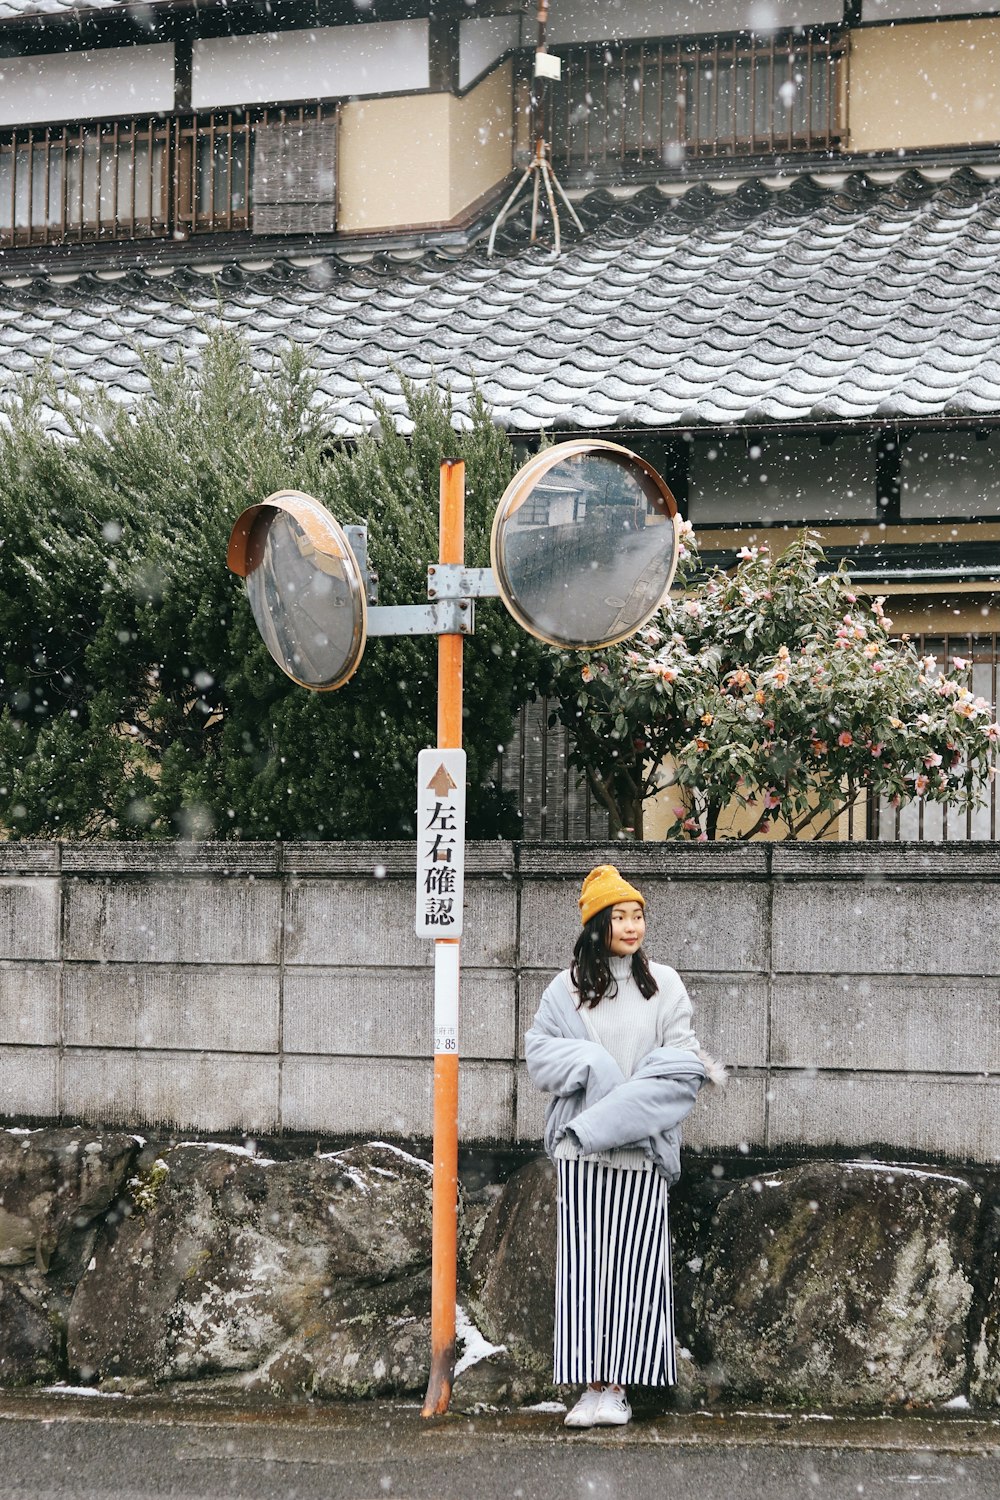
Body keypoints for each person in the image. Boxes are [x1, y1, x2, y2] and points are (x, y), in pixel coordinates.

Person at [524, 864, 725, 1429]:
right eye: (620, 916)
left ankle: (620, 1391)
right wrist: (592, 1064)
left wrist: (615, 1108)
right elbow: (540, 1053)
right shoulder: (565, 989)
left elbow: (682, 1063)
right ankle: (592, 1386)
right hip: (581, 1156)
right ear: (596, 925)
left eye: (638, 915)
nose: (633, 926)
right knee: (586, 1272)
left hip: (642, 1152)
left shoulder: (663, 983)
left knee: (633, 1271)